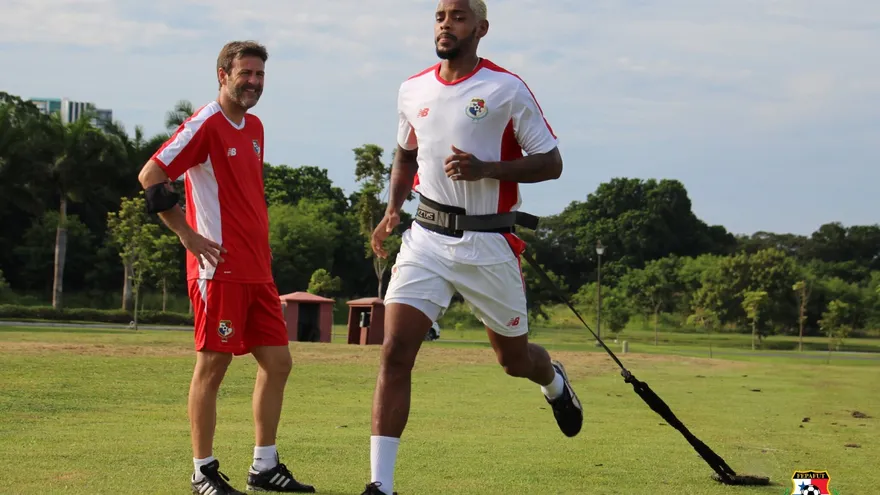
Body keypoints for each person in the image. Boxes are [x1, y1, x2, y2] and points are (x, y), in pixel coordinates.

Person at [361, 1, 583, 494]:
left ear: (481, 29)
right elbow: (405, 153)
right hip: (426, 238)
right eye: (440, 15)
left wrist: (488, 169)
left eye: (458, 16)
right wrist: (393, 209)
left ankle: (554, 382)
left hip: (489, 243)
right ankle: (381, 485)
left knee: (514, 361)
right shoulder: (411, 88)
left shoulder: (506, 89)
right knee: (395, 352)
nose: (446, 23)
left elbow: (551, 162)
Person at [137, 40, 315, 495]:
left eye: (260, 75)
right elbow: (151, 175)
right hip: (218, 271)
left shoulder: (254, 126)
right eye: (245, 74)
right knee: (213, 367)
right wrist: (187, 235)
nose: (253, 82)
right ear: (223, 75)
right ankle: (203, 471)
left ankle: (264, 466)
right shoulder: (205, 124)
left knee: (278, 363)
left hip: (257, 270)